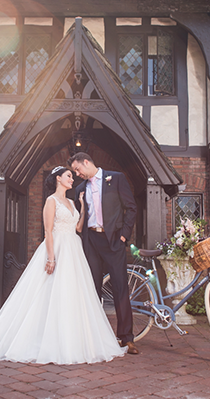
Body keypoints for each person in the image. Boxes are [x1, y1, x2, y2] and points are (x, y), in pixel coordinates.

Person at [0, 166, 126, 364]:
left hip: (73, 249)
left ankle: (69, 336)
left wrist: (82, 206)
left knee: (71, 293)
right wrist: (50, 258)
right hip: (57, 248)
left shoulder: (72, 202)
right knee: (48, 291)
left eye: (72, 176)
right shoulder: (51, 201)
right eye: (68, 176)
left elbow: (79, 228)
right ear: (58, 178)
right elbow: (48, 231)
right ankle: (44, 337)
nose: (72, 180)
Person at [67, 152, 139, 355]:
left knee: (120, 289)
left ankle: (126, 339)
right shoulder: (80, 189)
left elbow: (131, 208)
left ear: (87, 162)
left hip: (114, 241)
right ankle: (93, 338)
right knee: (92, 289)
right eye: (74, 171)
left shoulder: (116, 178)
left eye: (78, 169)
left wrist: (124, 235)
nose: (77, 174)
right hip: (91, 242)